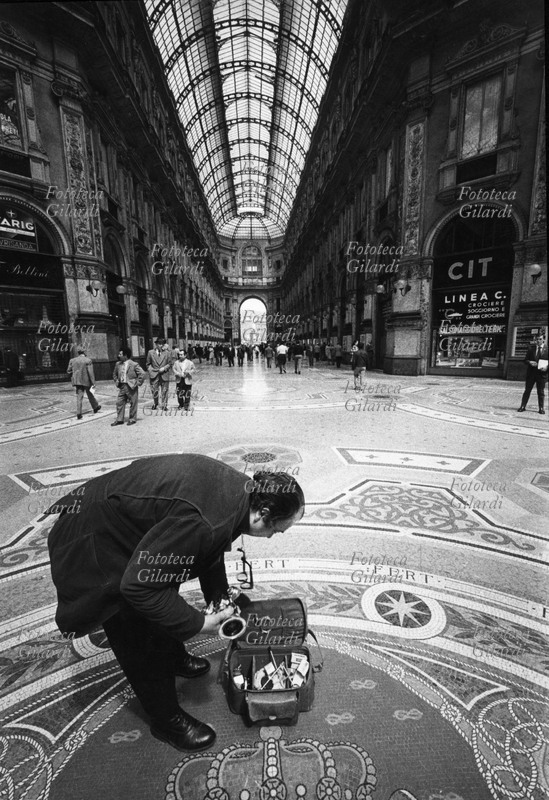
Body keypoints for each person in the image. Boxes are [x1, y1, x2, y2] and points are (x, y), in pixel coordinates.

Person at [47, 457, 305, 752]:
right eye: (277, 530)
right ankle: (166, 720)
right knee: (134, 627)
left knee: (162, 593)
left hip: (117, 520)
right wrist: (198, 624)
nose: (273, 536)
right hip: (94, 539)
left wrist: (218, 597)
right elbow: (139, 585)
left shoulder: (241, 493)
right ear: (264, 512)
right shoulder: (206, 520)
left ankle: (171, 656)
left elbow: (207, 547)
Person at [112, 347, 146, 426]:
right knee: (119, 402)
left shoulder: (133, 364)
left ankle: (132, 419)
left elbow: (142, 373)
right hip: (122, 386)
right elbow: (114, 374)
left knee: (133, 403)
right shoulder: (118, 364)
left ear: (125, 355)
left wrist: (137, 383)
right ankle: (120, 419)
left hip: (131, 386)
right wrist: (116, 381)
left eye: (120, 354)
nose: (118, 356)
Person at [67, 345, 101, 419]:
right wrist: (93, 382)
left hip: (77, 381)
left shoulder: (72, 360)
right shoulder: (88, 360)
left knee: (79, 397)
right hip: (87, 381)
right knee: (90, 394)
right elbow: (90, 373)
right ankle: (95, 407)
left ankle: (79, 413)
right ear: (84, 351)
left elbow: (68, 371)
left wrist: (75, 373)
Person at [518, 333, 548, 414]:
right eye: (537, 339)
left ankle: (541, 408)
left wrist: (546, 368)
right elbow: (525, 360)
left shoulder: (547, 349)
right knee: (527, 390)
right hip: (531, 373)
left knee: (541, 392)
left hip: (542, 374)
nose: (538, 341)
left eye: (540, 339)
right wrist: (529, 362)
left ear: (544, 340)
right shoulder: (531, 349)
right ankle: (523, 406)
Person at [146, 337, 171, 410]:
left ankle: (164, 405)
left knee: (165, 390)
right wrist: (151, 371)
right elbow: (148, 364)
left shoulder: (167, 353)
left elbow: (170, 363)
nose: (161, 345)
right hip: (154, 374)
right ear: (156, 344)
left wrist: (164, 368)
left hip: (164, 374)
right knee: (154, 390)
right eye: (159, 344)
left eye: (162, 344)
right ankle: (155, 403)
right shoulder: (150, 352)